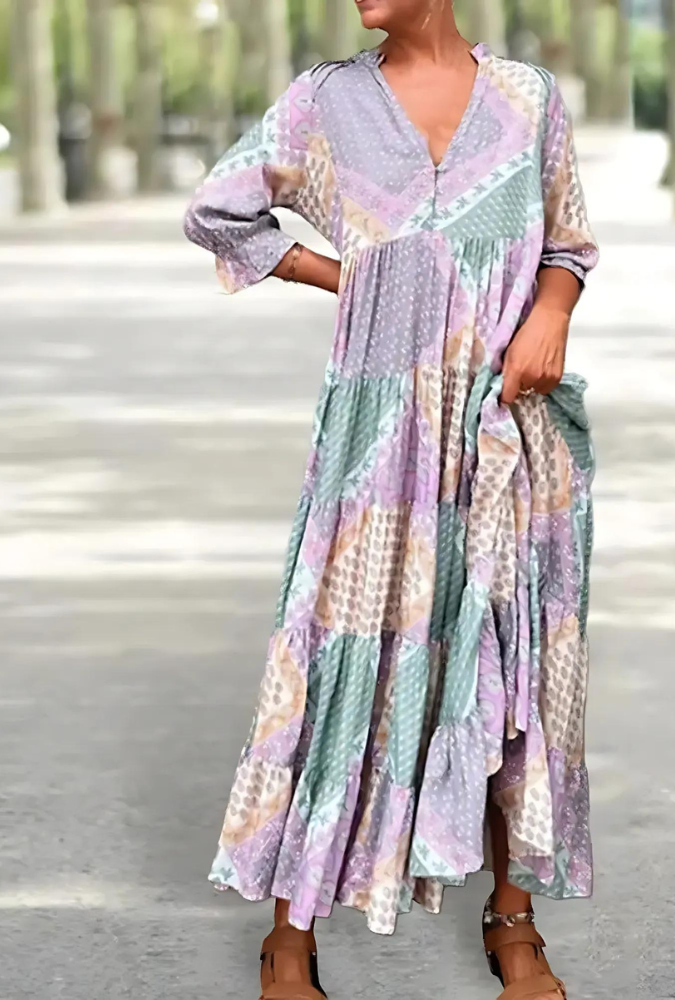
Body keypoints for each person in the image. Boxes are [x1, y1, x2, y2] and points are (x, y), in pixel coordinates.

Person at [183, 2, 598, 998]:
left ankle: (513, 918)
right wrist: (351, 277)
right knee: (341, 653)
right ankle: (289, 932)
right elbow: (218, 209)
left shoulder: (527, 99)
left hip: (504, 425)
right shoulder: (324, 103)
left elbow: (568, 243)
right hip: (378, 428)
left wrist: (549, 317)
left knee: (512, 658)